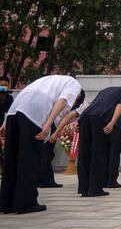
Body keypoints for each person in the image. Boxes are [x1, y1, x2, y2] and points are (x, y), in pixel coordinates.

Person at [0, 75, 83, 214]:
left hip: (15, 112)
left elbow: (23, 94)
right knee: (30, 159)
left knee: (11, 158)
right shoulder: (75, 84)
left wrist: (5, 123)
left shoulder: (48, 80)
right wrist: (49, 123)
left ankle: (6, 203)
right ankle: (26, 203)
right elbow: (62, 101)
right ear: (78, 97)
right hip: (33, 114)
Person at [77, 86, 121, 197]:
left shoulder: (106, 90)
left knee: (85, 154)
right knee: (98, 154)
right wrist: (112, 123)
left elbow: (94, 104)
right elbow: (120, 106)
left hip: (86, 117)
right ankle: (95, 189)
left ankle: (84, 188)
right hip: (99, 119)